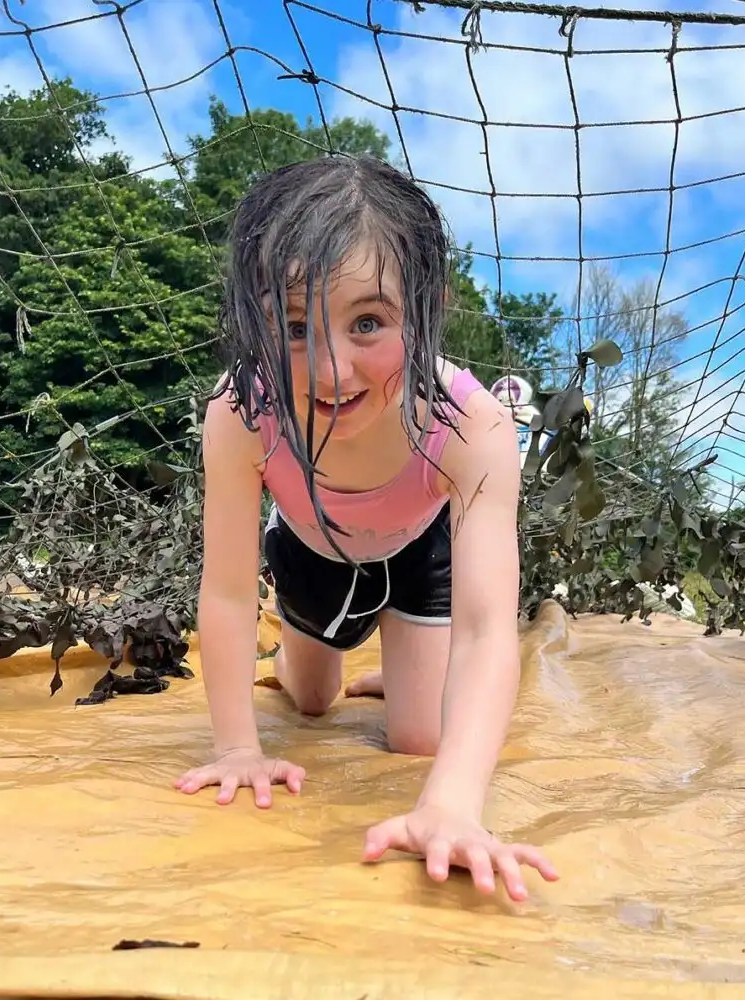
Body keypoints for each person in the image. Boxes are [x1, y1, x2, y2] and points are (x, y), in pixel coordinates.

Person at [174, 154, 558, 903]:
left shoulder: (474, 426)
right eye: (291, 326)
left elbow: (488, 629)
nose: (331, 368)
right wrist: (238, 749)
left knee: (421, 740)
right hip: (313, 546)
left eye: (369, 323)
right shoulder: (241, 410)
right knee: (312, 702)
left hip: (420, 549)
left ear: (426, 307)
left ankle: (403, 652)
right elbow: (223, 593)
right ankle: (313, 654)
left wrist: (451, 806)